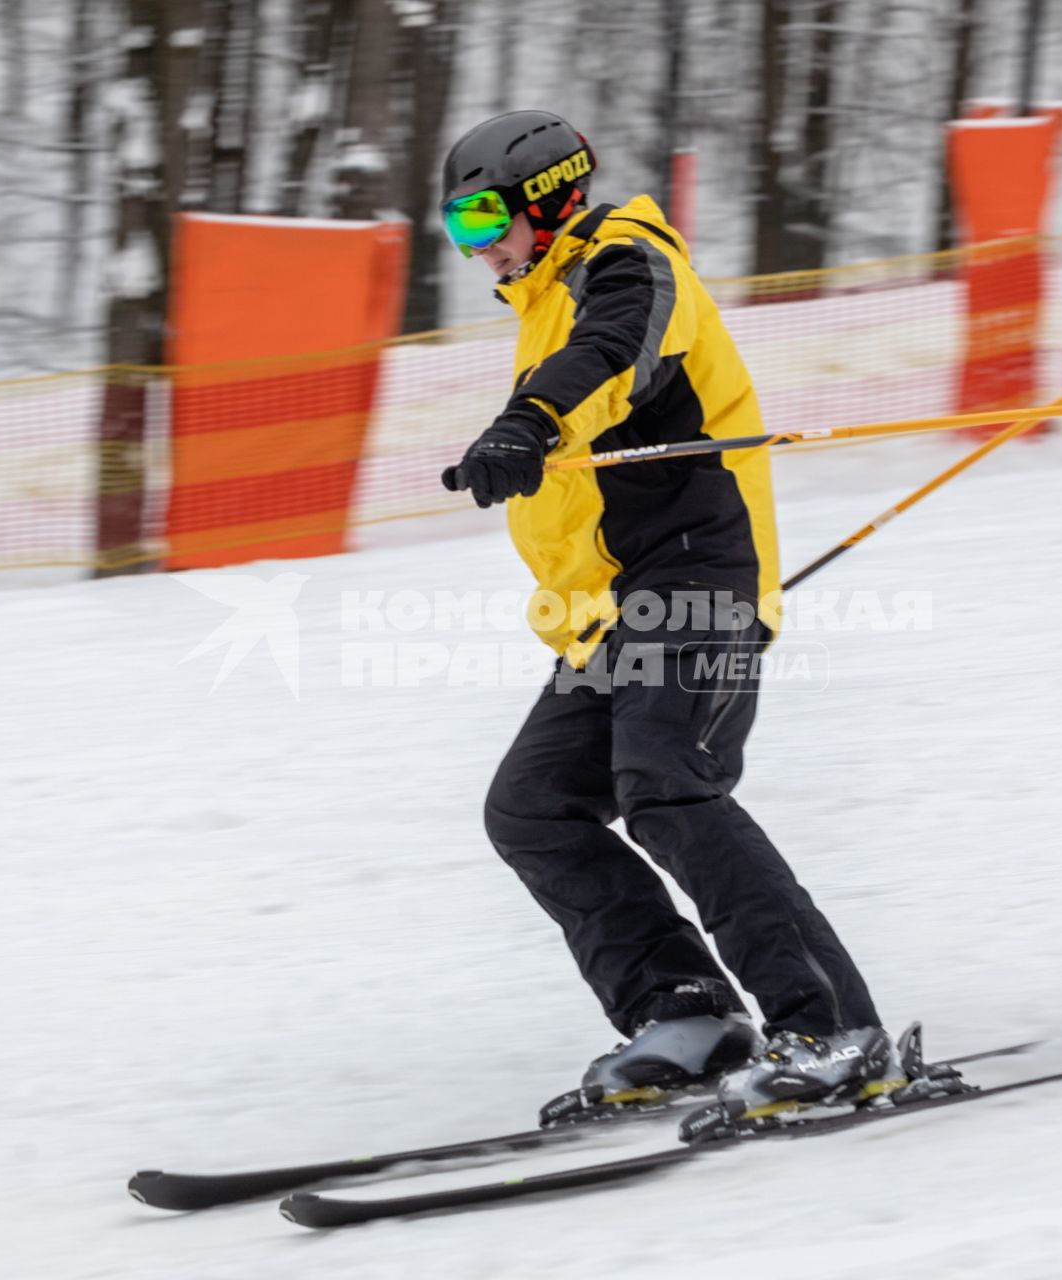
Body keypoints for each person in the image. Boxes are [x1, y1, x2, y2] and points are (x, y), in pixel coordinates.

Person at [437, 110, 903, 1121]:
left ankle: (835, 1027)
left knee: (667, 783)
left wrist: (529, 418)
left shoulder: (630, 261)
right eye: (457, 226)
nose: (477, 245)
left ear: (551, 196)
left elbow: (616, 352)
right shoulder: (544, 297)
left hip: (696, 580)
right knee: (533, 804)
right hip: (611, 616)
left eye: (484, 216)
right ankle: (687, 1013)